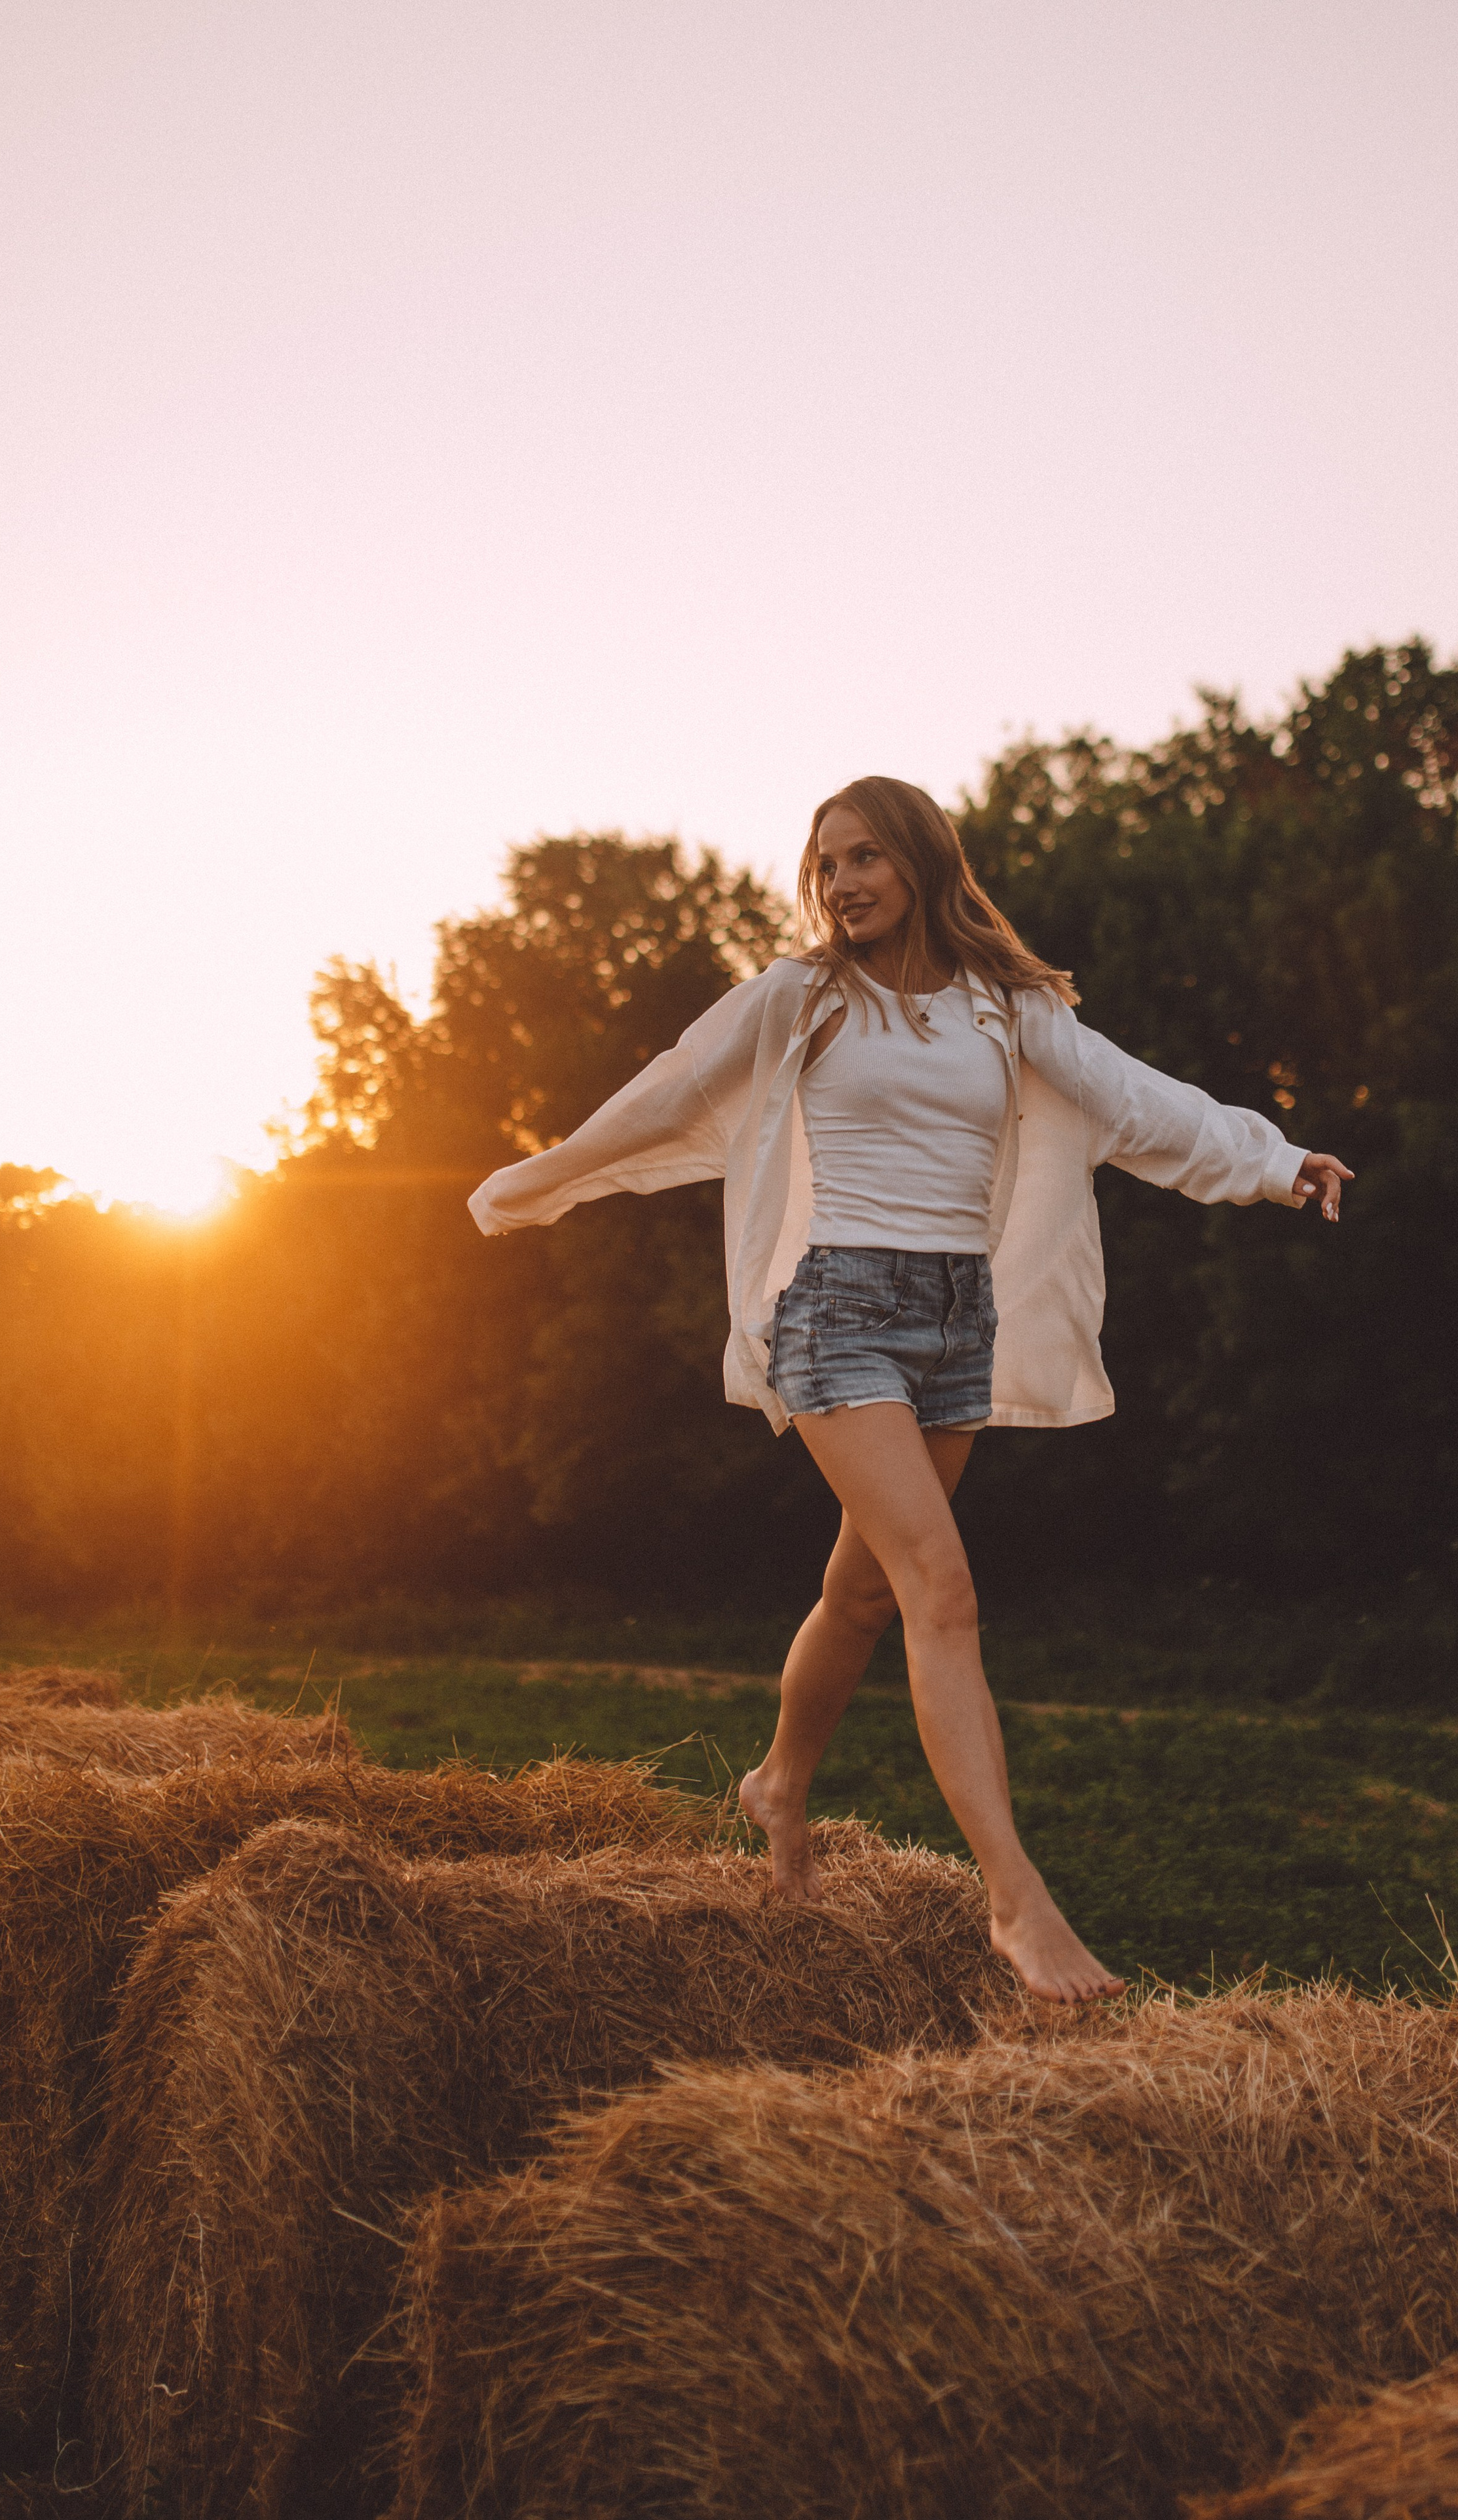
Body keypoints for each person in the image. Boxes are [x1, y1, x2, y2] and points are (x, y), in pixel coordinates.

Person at [468, 777, 1352, 2003]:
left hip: (956, 1325)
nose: (843, 883)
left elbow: (1136, 1097)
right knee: (942, 1587)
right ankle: (1017, 1902)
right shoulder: (805, 997)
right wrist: (541, 1181)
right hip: (836, 1315)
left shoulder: (1008, 1007)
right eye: (827, 864)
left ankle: (778, 1781)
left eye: (866, 857)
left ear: (923, 861)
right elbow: (672, 1088)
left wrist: (1275, 1160)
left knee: (866, 1592)